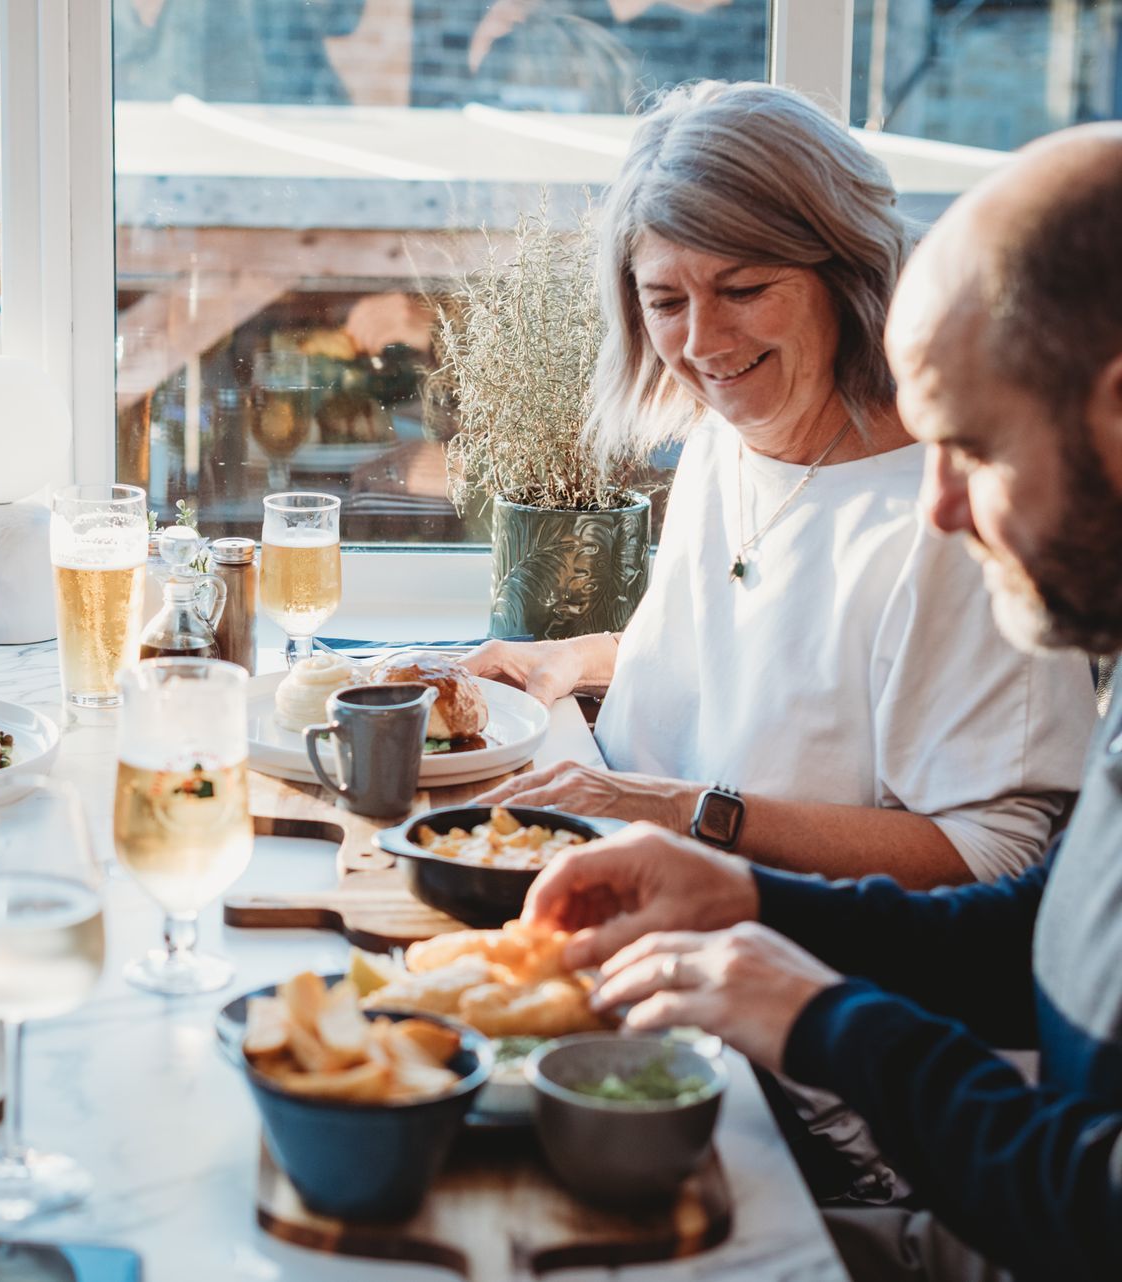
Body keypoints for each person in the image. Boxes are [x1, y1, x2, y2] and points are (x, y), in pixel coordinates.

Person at [523, 122, 1122, 1282]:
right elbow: (1053, 926)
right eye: (667, 298)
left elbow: (1091, 1209)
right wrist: (745, 894)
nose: (939, 503)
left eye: (977, 447)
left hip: (948, 1194)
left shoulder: (952, 544)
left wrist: (819, 1015)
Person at [463, 81, 1094, 889]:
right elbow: (770, 678)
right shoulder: (724, 441)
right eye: (664, 301)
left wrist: (673, 810)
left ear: (849, 274)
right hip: (619, 897)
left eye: (744, 290)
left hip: (782, 964)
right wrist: (571, 660)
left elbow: (997, 856)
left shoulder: (961, 518)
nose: (701, 342)